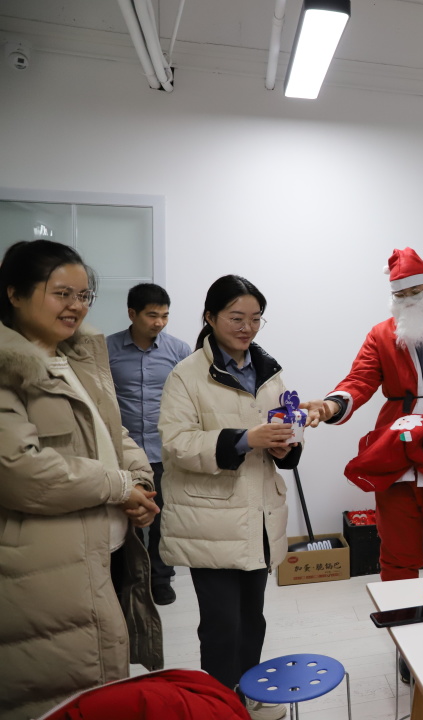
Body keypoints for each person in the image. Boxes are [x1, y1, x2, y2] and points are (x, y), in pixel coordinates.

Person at [0, 240, 162, 720]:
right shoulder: (7, 366)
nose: (75, 305)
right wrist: (118, 486)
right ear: (14, 293)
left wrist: (139, 482)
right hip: (47, 566)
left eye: (84, 295)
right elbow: (19, 470)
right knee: (63, 695)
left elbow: (114, 431)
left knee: (105, 682)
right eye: (61, 293)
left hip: (108, 551)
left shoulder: (78, 359)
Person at [304, 248, 423, 583]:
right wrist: (331, 405)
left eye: (415, 292)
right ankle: (402, 612)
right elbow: (360, 379)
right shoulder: (381, 334)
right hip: (395, 456)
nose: (408, 300)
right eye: (400, 295)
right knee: (396, 555)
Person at [158, 275, 301, 720]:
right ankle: (219, 705)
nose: (247, 328)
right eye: (236, 318)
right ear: (210, 317)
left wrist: (284, 445)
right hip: (211, 518)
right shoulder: (186, 375)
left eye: (255, 318)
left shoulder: (268, 370)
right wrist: (245, 439)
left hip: (258, 514)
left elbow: (286, 425)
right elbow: (176, 443)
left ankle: (248, 690)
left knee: (252, 617)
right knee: (222, 623)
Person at [107, 283, 192, 606]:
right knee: (125, 518)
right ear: (132, 314)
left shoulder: (179, 351)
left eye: (165, 316)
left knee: (162, 517)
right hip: (122, 452)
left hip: (164, 449)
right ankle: (129, 579)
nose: (159, 322)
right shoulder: (106, 349)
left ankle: (160, 578)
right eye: (152, 315)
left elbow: (189, 399)